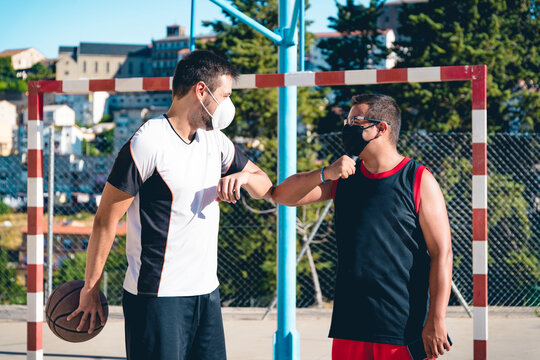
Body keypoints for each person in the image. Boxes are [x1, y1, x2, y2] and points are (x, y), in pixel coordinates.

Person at [67, 50, 273, 360]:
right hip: (157, 298)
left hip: (207, 292)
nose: (228, 106)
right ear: (201, 91)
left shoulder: (215, 141)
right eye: (225, 95)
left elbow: (264, 185)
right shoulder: (148, 142)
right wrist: (90, 288)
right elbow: (105, 221)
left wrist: (243, 177)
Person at [272, 94, 453, 360]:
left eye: (355, 121)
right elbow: (281, 195)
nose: (347, 128)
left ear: (381, 128)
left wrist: (436, 319)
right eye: (346, 121)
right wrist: (324, 173)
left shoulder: (417, 178)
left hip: (402, 329)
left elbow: (442, 253)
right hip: (351, 326)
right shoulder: (344, 176)